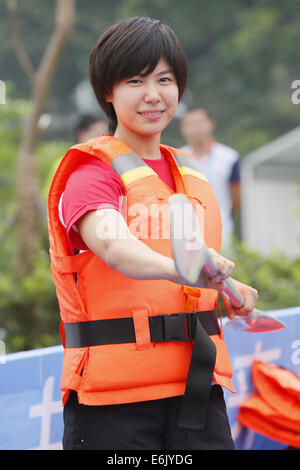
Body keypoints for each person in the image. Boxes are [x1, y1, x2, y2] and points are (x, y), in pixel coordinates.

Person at [47, 17, 258, 450]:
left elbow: (189, 255)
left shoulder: (189, 172)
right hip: (113, 404)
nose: (152, 95)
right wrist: (184, 271)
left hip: (196, 391)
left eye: (164, 79)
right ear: (108, 92)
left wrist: (225, 285)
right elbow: (114, 246)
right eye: (135, 80)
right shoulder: (90, 174)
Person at [180, 107, 241, 248]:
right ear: (183, 128)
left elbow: (236, 197)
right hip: (186, 232)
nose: (195, 129)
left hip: (221, 229)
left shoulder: (229, 157)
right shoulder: (177, 157)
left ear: (210, 124)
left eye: (199, 123)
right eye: (189, 124)